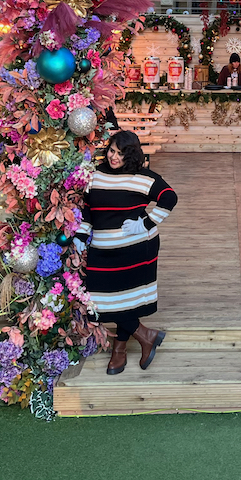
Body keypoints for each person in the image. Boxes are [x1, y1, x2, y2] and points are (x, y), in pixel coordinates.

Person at [77, 130, 178, 375]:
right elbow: (88, 209)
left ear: (131, 155)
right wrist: (81, 234)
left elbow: (169, 197)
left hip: (137, 249)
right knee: (101, 302)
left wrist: (146, 223)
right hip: (102, 249)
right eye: (112, 151)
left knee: (126, 300)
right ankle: (146, 335)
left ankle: (119, 350)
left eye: (121, 154)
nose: (114, 157)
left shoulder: (144, 177)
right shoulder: (95, 175)